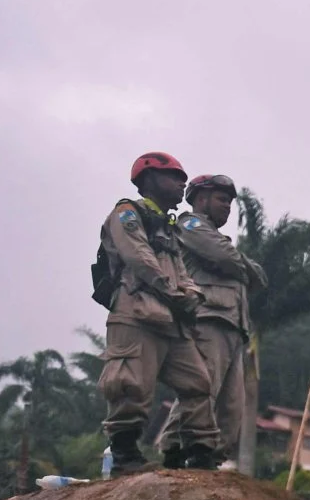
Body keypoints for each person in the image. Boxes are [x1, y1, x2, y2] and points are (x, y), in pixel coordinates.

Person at [93, 152, 220, 473]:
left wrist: (191, 294)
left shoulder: (167, 226)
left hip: (172, 319)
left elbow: (180, 270)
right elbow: (138, 258)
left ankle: (198, 455)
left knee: (199, 384)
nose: (182, 184)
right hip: (136, 312)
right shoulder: (127, 213)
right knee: (129, 383)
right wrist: (176, 292)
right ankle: (125, 456)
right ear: (149, 179)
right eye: (174, 177)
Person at [163, 174, 267, 473]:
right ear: (201, 198)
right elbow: (222, 256)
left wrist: (238, 264)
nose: (227, 207)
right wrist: (240, 264)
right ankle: (175, 450)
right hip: (207, 318)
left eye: (231, 202)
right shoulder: (190, 224)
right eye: (222, 199)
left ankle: (210, 459)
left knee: (231, 406)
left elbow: (258, 276)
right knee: (200, 390)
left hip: (233, 326)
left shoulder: (218, 238)